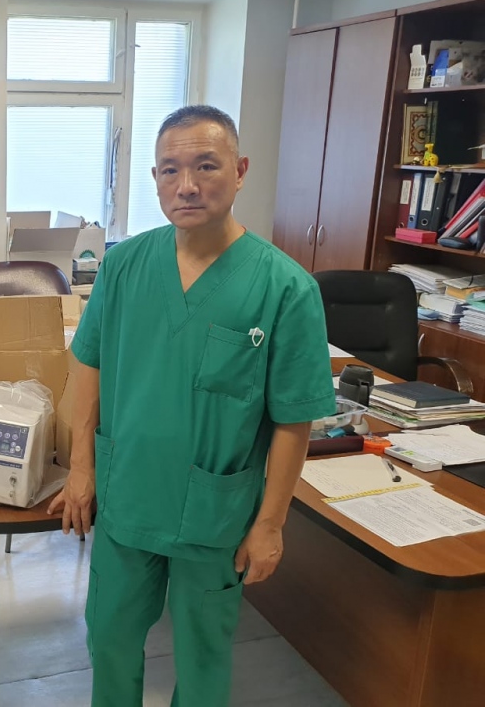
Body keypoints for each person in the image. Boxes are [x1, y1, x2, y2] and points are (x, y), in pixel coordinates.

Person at [50, 105, 336, 706]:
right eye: (170, 170)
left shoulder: (285, 288)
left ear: (240, 171)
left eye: (206, 166)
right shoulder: (123, 266)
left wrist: (270, 524)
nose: (187, 185)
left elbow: (294, 418)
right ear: (154, 178)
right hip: (128, 498)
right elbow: (89, 367)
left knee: (204, 658)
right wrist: (81, 469)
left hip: (215, 515)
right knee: (110, 638)